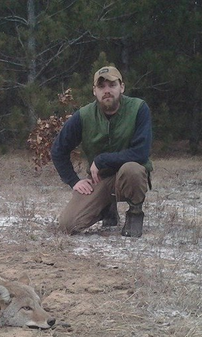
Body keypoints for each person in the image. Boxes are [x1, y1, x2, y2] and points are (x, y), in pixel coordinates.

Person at [51, 66, 153, 237]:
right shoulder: (83, 116)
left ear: (122, 87)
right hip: (100, 179)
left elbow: (140, 153)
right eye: (101, 86)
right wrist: (73, 181)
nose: (107, 91)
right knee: (68, 225)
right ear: (94, 91)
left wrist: (101, 160)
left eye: (112, 85)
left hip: (128, 175)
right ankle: (107, 210)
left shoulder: (139, 109)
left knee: (133, 170)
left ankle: (135, 214)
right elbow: (58, 150)